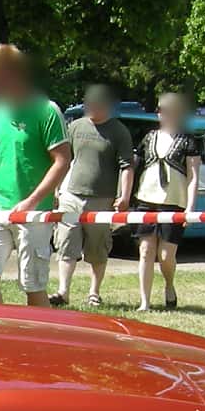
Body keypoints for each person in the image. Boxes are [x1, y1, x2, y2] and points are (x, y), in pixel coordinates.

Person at [0, 44, 70, 306]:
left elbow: (62, 161)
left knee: (33, 286)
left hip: (33, 213)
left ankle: (42, 343)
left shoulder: (47, 111)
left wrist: (33, 201)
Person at [56, 85, 134, 308]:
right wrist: (56, 188)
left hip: (102, 199)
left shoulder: (119, 131)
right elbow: (63, 159)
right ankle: (63, 291)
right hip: (70, 195)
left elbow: (127, 166)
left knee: (98, 248)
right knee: (65, 242)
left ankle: (94, 292)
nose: (90, 107)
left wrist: (124, 197)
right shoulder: (75, 126)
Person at [129, 91, 200, 311]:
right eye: (161, 110)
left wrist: (190, 208)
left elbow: (194, 176)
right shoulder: (148, 137)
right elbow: (133, 167)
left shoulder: (188, 141)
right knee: (145, 251)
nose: (164, 114)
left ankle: (169, 285)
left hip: (174, 203)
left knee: (166, 255)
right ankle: (145, 302)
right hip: (145, 200)